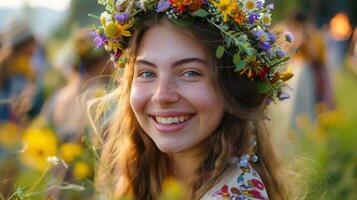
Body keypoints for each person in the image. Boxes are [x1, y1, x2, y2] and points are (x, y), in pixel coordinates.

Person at [90, 0, 295, 199]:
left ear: (231, 88)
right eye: (147, 73)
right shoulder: (140, 176)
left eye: (190, 73)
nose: (162, 96)